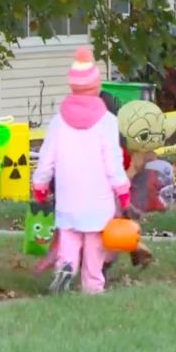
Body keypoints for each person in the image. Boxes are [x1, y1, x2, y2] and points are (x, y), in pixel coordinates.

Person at [31, 47, 130, 294]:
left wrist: (40, 185)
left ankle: (65, 268)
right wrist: (122, 189)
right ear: (95, 87)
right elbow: (113, 162)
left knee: (69, 239)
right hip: (98, 200)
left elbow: (46, 158)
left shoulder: (58, 121)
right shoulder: (107, 122)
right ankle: (93, 285)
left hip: (68, 197)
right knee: (95, 247)